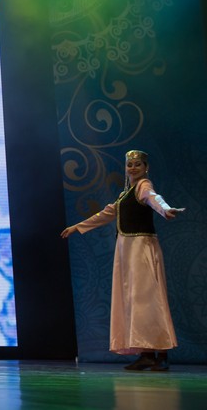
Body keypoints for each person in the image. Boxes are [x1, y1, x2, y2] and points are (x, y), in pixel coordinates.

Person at [61, 149, 182, 371]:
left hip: (141, 248)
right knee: (135, 300)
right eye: (129, 165)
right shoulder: (124, 195)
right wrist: (77, 227)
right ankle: (146, 353)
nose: (133, 168)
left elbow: (154, 198)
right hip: (127, 250)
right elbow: (106, 214)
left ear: (146, 167)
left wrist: (165, 210)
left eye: (137, 164)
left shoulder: (143, 186)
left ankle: (162, 353)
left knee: (149, 299)